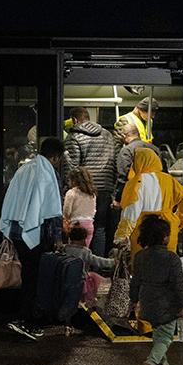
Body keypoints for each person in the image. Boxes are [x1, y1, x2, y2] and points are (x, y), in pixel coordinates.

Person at [0, 137, 65, 341]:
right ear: (55, 157)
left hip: (18, 231)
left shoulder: (25, 168)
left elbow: (13, 197)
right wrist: (58, 237)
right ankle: (25, 321)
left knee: (27, 276)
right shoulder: (48, 174)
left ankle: (23, 318)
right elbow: (52, 209)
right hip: (35, 233)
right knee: (32, 279)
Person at [130, 215, 183, 365]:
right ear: (164, 237)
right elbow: (178, 284)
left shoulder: (140, 256)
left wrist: (133, 300)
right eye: (168, 234)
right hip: (166, 305)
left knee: (158, 334)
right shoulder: (171, 258)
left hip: (147, 303)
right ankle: (150, 364)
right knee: (166, 337)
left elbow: (136, 281)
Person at [114, 148, 183, 262]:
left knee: (143, 268)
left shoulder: (135, 182)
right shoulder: (168, 179)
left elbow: (131, 212)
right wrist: (178, 220)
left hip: (143, 231)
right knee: (166, 265)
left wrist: (121, 237)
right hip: (167, 228)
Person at [63, 107, 116, 255]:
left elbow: (71, 167)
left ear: (74, 120)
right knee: (99, 229)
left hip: (84, 190)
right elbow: (114, 162)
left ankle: (78, 263)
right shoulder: (107, 135)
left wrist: (67, 188)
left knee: (79, 228)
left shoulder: (74, 137)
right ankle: (97, 267)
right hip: (105, 187)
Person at [62, 224, 115, 309]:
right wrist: (112, 262)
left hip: (65, 279)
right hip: (80, 280)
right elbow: (97, 261)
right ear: (83, 239)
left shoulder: (64, 249)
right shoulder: (84, 252)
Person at [113, 122, 161, 206]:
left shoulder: (126, 151)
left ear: (124, 136)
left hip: (135, 197)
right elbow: (164, 171)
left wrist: (118, 199)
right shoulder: (154, 149)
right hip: (154, 196)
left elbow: (123, 176)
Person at [63, 167, 97, 248]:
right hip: (89, 225)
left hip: (76, 226)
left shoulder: (71, 193)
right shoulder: (91, 194)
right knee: (85, 251)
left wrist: (65, 218)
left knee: (74, 253)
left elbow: (67, 211)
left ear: (74, 181)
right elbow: (94, 211)